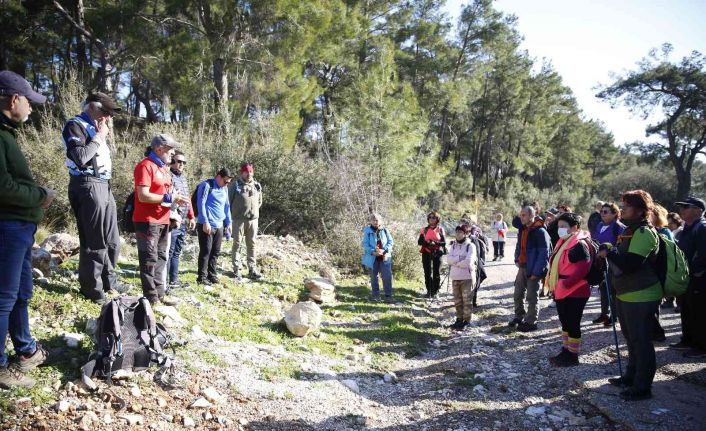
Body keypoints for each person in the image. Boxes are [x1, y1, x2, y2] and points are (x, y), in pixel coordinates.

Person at [0, 71, 55, 388]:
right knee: (4, 297)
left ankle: (25, 350)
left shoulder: (7, 134)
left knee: (21, 293)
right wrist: (40, 196)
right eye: (30, 102)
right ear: (13, 99)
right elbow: (3, 187)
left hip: (19, 228)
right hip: (7, 227)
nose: (33, 109)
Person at [61, 92, 129, 303]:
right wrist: (99, 137)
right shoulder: (75, 125)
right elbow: (80, 157)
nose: (108, 117)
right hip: (87, 184)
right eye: (105, 112)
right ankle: (92, 288)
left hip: (103, 185)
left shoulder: (98, 126)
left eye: (110, 114)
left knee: (112, 240)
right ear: (92, 107)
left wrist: (100, 135)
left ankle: (109, 281)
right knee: (94, 240)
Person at [599, 190, 661, 401]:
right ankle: (631, 377)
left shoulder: (644, 233)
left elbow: (632, 264)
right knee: (631, 339)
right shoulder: (629, 230)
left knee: (641, 341)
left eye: (627, 205)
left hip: (642, 295)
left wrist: (610, 251)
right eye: (622, 204)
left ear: (641, 210)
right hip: (627, 294)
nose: (622, 208)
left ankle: (643, 387)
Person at [132, 134, 187, 305]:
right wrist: (169, 198)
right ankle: (151, 298)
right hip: (147, 221)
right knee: (149, 260)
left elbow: (166, 196)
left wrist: (173, 212)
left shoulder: (164, 169)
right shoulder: (145, 166)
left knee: (162, 257)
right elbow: (143, 195)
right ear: (159, 149)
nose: (173, 154)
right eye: (170, 150)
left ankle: (160, 295)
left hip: (163, 220)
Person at [545, 213, 591, 366]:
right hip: (563, 288)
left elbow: (584, 266)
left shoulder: (579, 243)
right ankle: (566, 351)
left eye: (564, 226)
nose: (560, 229)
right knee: (565, 322)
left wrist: (568, 283)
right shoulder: (563, 241)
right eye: (559, 226)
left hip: (576, 290)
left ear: (574, 227)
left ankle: (573, 356)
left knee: (572, 323)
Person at [670, 197, 706, 359]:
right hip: (686, 278)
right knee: (686, 309)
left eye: (686, 207)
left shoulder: (702, 227)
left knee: (699, 312)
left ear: (698, 210)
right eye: (681, 207)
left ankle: (701, 346)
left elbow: (703, 255)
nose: (682, 210)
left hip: (699, 279)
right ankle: (687, 340)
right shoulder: (686, 227)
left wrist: (694, 271)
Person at [509, 206, 551, 332]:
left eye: (523, 215)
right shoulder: (523, 229)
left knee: (532, 297)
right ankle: (519, 316)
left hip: (533, 269)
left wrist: (536, 272)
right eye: (520, 214)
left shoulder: (540, 232)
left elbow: (544, 254)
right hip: (522, 267)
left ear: (532, 216)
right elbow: (519, 245)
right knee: (518, 294)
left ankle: (531, 322)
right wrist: (516, 259)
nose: (521, 217)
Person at [195, 168, 233, 285]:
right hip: (206, 224)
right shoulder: (206, 185)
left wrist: (229, 222)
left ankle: (212, 274)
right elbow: (200, 203)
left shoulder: (224, 188)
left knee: (215, 252)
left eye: (228, 182)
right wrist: (205, 221)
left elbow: (226, 206)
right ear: (218, 177)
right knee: (206, 251)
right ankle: (202, 277)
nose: (226, 184)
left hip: (219, 225)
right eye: (225, 181)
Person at [591, 202, 625, 326]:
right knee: (603, 289)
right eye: (601, 211)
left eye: (605, 212)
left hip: (613, 262)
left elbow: (621, 245)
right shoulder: (600, 225)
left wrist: (609, 251)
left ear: (615, 213)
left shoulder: (619, 227)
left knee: (612, 290)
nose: (602, 214)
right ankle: (604, 314)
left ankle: (614, 316)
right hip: (601, 262)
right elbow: (595, 240)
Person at [229, 163, 263, 281]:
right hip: (238, 220)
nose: (249, 174)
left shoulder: (257, 185)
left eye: (250, 172)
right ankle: (236, 269)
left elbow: (259, 201)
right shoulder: (234, 185)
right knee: (237, 244)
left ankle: (252, 269)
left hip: (253, 220)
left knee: (252, 244)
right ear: (241, 173)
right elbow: (228, 202)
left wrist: (253, 212)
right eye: (246, 172)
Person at [167, 150, 196, 288]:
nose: (181, 164)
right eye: (179, 161)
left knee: (177, 252)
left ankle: (173, 280)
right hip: (172, 221)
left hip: (183, 220)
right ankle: (164, 282)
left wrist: (191, 216)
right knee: (169, 251)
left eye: (184, 162)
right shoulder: (168, 176)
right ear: (172, 161)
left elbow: (188, 198)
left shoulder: (182, 178)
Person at [446, 225, 477, 330]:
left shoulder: (470, 246)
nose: (458, 234)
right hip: (455, 277)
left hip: (467, 278)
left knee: (467, 301)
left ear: (465, 234)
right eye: (457, 232)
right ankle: (459, 320)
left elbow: (468, 262)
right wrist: (459, 259)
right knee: (457, 301)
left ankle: (466, 321)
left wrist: (455, 262)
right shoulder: (453, 246)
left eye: (460, 232)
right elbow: (448, 260)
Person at [362, 213, 394, 302]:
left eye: (377, 220)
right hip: (372, 257)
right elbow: (365, 244)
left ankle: (388, 294)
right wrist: (373, 252)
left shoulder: (385, 230)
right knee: (373, 276)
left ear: (381, 221)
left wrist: (384, 250)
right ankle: (375, 295)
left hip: (385, 256)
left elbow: (391, 242)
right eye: (374, 220)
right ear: (370, 221)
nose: (376, 221)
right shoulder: (367, 231)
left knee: (387, 275)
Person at [418, 211, 446, 299]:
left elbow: (444, 243)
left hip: (437, 253)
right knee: (427, 272)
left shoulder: (440, 229)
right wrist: (427, 242)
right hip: (426, 252)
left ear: (437, 219)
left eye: (433, 217)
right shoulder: (424, 230)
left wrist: (435, 242)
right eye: (430, 217)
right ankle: (429, 291)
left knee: (436, 272)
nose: (431, 219)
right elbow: (419, 242)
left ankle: (435, 292)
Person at [663, 211, 684, 311]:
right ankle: (670, 301)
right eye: (668, 223)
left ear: (677, 222)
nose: (669, 225)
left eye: (671, 223)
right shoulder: (671, 232)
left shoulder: (680, 232)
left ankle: (679, 304)